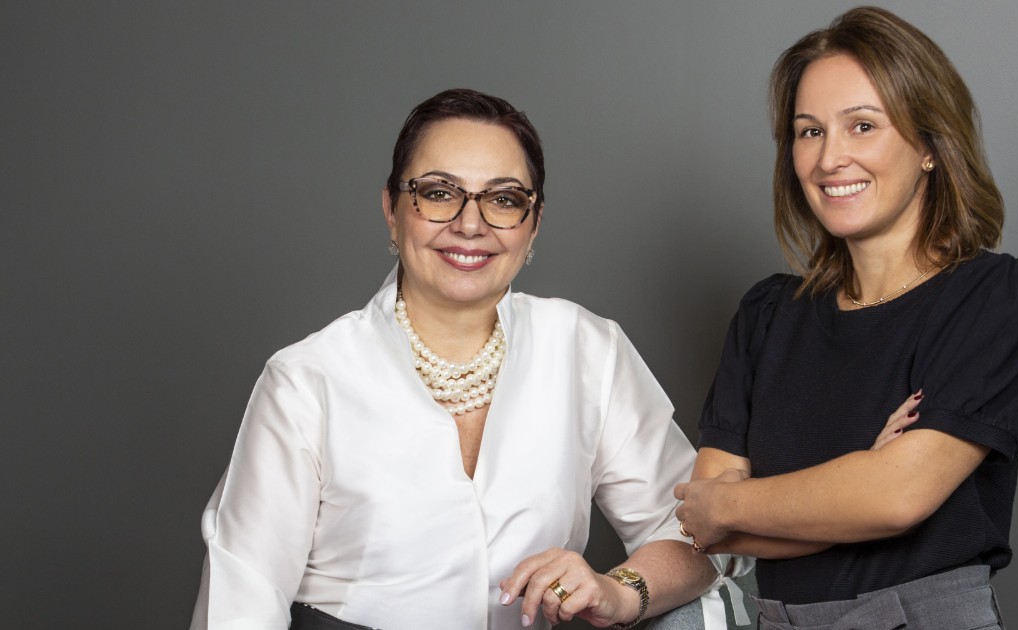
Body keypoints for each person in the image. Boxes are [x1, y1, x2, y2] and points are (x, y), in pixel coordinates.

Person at [190, 88, 731, 630]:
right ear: (392, 210)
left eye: (503, 199)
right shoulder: (307, 382)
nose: (471, 224)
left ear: (534, 221)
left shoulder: (586, 348)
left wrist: (620, 590)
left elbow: (696, 530)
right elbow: (241, 602)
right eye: (439, 192)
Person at [673, 7, 1018, 629]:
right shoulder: (769, 315)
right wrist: (855, 480)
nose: (830, 159)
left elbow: (896, 497)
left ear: (931, 146)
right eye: (809, 131)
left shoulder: (992, 298)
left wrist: (744, 502)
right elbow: (707, 526)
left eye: (862, 126)